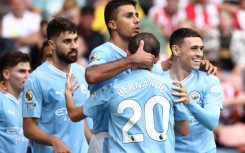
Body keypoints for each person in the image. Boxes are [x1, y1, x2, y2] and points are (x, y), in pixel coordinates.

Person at [84, 0, 217, 152]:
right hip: (107, 137)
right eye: (129, 16)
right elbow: (91, 74)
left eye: (136, 15)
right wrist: (130, 60)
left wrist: (197, 62)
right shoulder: (103, 52)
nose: (136, 19)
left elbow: (162, 66)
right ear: (112, 24)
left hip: (136, 140)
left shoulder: (140, 59)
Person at [65, 32, 190, 152]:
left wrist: (68, 95)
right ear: (157, 58)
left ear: (128, 53)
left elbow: (74, 114)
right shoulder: (172, 87)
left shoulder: (113, 89)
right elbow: (184, 130)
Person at [22, 17, 90, 153]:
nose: (74, 46)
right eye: (67, 41)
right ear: (52, 45)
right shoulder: (36, 79)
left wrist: (92, 143)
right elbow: (28, 128)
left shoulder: (81, 72)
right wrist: (54, 141)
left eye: (75, 40)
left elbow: (79, 119)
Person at [160, 28, 223, 153]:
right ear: (176, 50)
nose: (199, 53)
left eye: (201, 48)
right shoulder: (159, 82)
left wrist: (189, 103)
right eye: (194, 48)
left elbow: (212, 122)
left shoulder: (209, 81)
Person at [0, 51, 31, 153]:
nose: (28, 76)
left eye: (28, 71)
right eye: (22, 71)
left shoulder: (30, 100)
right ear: (6, 74)